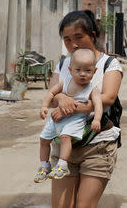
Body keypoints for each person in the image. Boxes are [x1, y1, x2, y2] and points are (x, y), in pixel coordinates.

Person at [49, 10, 122, 208]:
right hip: (64, 144)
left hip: (97, 145)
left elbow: (108, 98)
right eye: (67, 39)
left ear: (92, 35)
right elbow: (51, 96)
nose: (73, 44)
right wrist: (61, 96)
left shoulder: (109, 63)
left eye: (79, 37)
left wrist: (72, 107)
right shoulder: (64, 64)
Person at [34, 48, 103, 183]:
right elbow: (51, 93)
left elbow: (98, 105)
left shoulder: (92, 89)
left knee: (65, 137)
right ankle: (44, 165)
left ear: (94, 71)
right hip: (56, 119)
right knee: (43, 139)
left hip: (75, 120)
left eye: (88, 70)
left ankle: (62, 165)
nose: (82, 74)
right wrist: (44, 106)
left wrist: (97, 119)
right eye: (78, 70)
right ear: (70, 70)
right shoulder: (65, 82)